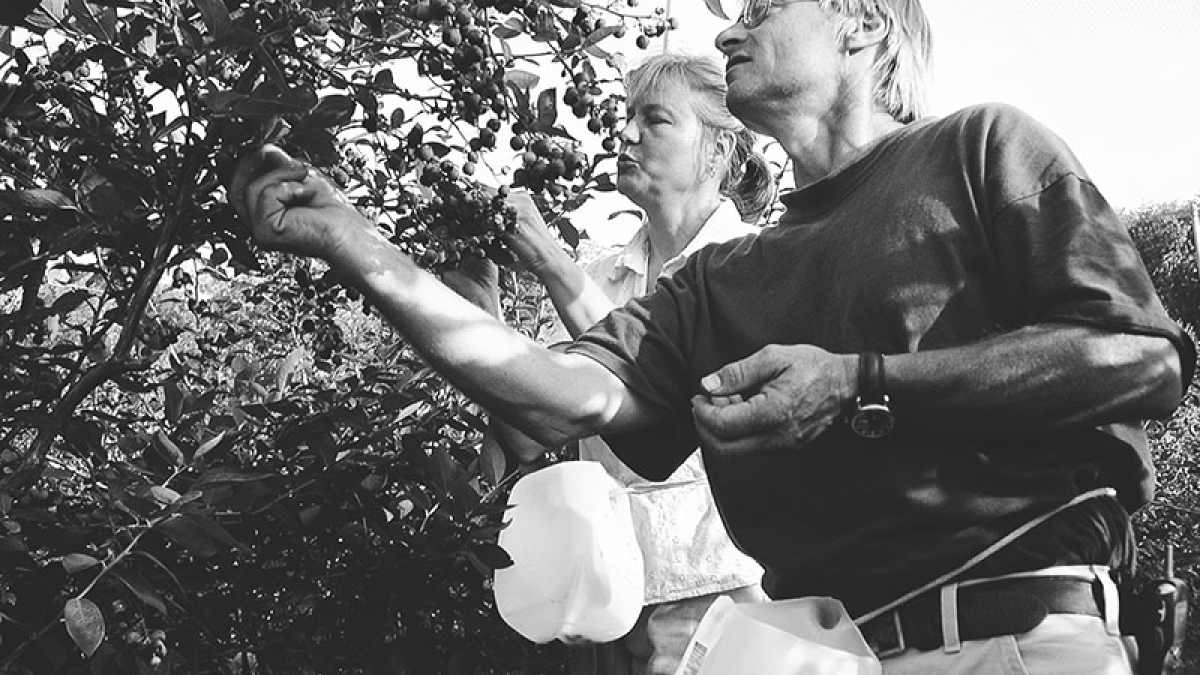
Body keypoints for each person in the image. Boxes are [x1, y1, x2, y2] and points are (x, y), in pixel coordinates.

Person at [229, 0, 1196, 672]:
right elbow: (551, 388)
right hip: (815, 653)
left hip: (1013, 643)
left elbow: (1142, 358)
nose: (729, 27)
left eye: (764, 7)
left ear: (861, 25)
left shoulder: (983, 149)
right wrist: (356, 247)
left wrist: (864, 382)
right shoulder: (721, 278)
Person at [487, 54, 773, 675]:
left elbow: (656, 389)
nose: (627, 133)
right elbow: (534, 429)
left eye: (657, 119)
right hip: (605, 595)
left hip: (713, 591)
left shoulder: (749, 268)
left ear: (718, 152)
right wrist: (477, 307)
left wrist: (546, 259)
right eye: (626, 116)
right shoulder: (602, 277)